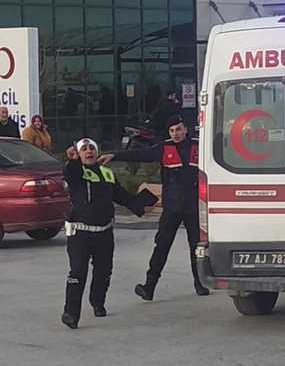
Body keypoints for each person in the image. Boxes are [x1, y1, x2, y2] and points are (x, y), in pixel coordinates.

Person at [101, 115, 208, 299]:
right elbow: (140, 155)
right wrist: (115, 155)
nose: (175, 133)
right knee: (162, 247)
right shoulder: (164, 148)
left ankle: (200, 284)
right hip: (172, 208)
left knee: (196, 247)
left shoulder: (199, 146)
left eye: (178, 129)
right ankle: (149, 287)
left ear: (185, 129)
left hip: (194, 207)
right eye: (172, 131)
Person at [61, 138, 151, 329]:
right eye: (84, 149)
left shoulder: (107, 172)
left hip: (104, 233)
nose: (88, 151)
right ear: (79, 154)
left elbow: (121, 196)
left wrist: (141, 206)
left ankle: (97, 302)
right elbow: (70, 173)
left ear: (97, 151)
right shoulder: (76, 171)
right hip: (80, 233)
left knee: (103, 272)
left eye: (91, 148)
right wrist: (73, 160)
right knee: (78, 272)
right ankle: (71, 313)